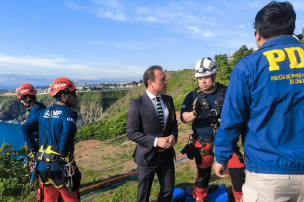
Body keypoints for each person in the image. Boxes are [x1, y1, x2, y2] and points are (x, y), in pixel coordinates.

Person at [213, 2, 304, 201]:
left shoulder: (248, 66)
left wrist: (221, 155)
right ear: (291, 27)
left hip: (268, 173)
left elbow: (232, 118)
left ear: (258, 33)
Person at [181, 57, 245, 202]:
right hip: (204, 143)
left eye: (206, 77)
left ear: (214, 76)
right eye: (200, 78)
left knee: (238, 173)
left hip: (227, 142)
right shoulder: (193, 96)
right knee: (203, 175)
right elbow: (184, 118)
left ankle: (240, 198)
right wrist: (195, 114)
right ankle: (199, 198)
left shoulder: (228, 92)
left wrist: (230, 120)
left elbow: (241, 112)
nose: (202, 81)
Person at [20, 78, 81, 202]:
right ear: (64, 96)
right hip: (60, 167)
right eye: (74, 93)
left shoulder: (43, 112)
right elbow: (67, 131)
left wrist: (35, 150)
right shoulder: (69, 113)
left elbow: (24, 128)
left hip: (42, 166)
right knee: (71, 199)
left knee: (49, 199)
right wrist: (64, 154)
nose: (76, 97)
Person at [127, 65, 178, 202]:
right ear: (150, 83)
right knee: (143, 195)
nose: (166, 81)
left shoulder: (168, 100)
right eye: (162, 79)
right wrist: (156, 141)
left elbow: (173, 123)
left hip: (166, 156)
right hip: (147, 158)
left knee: (168, 190)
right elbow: (131, 133)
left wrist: (173, 136)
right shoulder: (136, 104)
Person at [17, 84, 46, 202]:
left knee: (41, 173)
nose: (22, 103)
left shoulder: (36, 109)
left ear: (27, 98)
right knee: (40, 173)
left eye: (22, 100)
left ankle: (44, 197)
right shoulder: (37, 108)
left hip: (38, 146)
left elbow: (24, 128)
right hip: (41, 144)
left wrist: (33, 149)